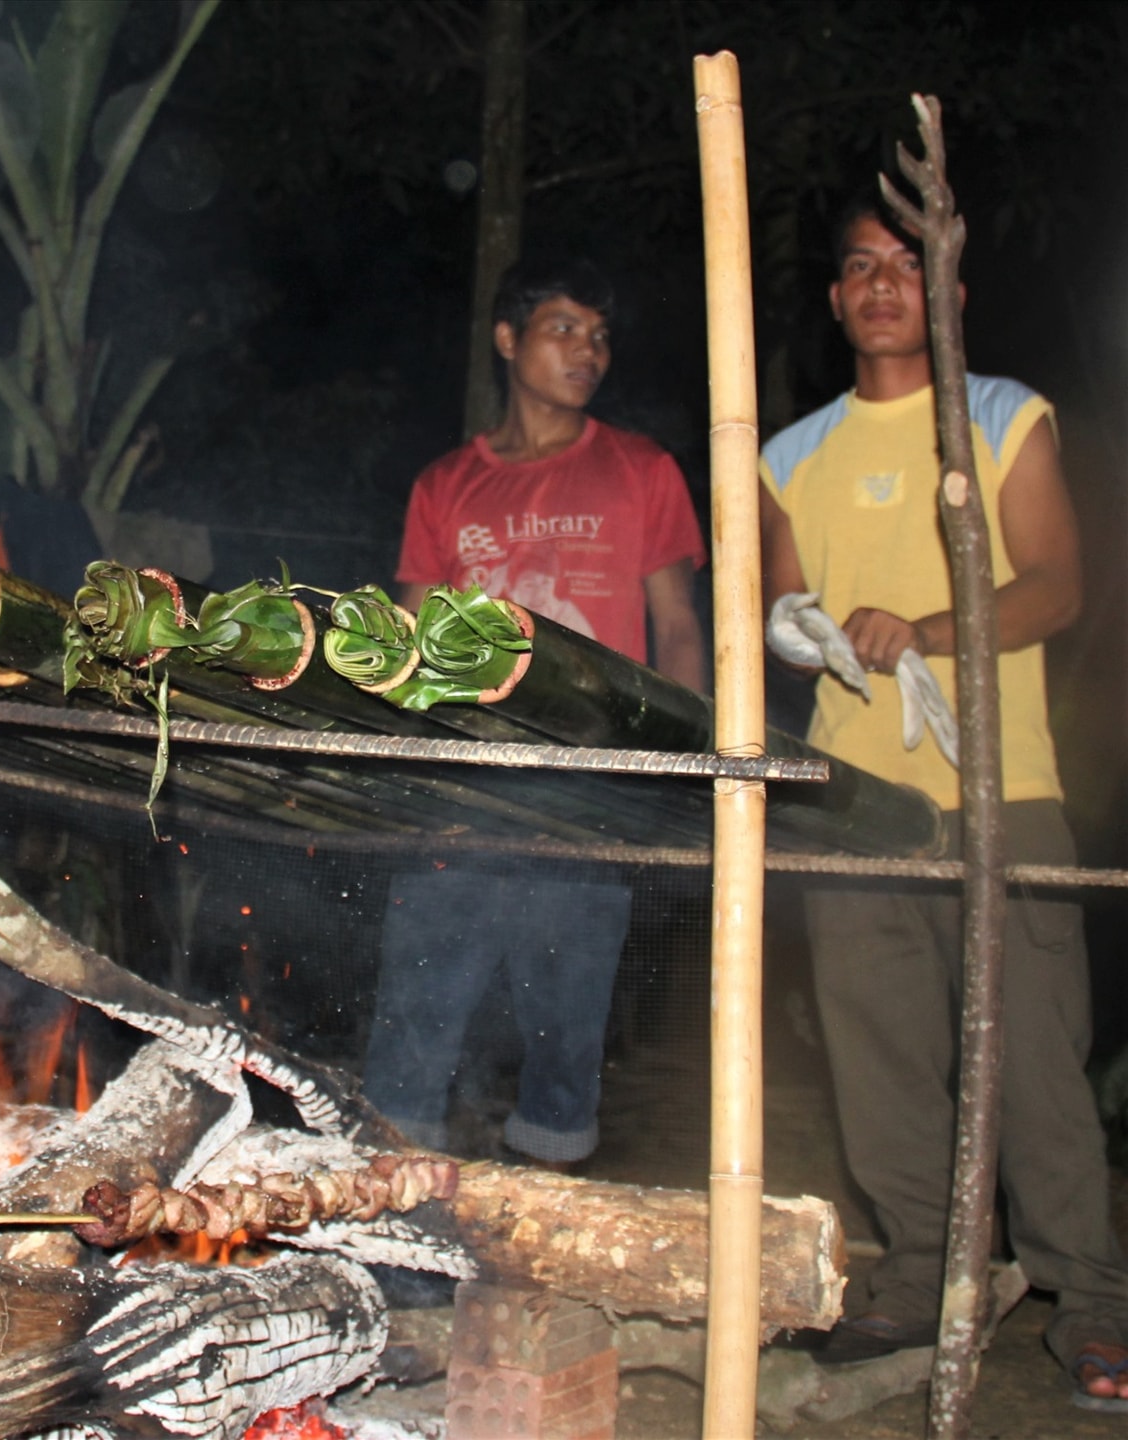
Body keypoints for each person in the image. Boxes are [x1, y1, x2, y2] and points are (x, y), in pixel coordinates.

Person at [759, 196, 1128, 1405]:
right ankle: (918, 1282)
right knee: (881, 1057)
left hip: (998, 790)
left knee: (1032, 1059)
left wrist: (918, 628)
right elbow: (784, 615)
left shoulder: (1000, 417)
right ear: (833, 300)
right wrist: (811, 634)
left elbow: (1058, 588)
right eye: (858, 266)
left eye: (907, 269)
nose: (880, 285)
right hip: (853, 801)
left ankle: (1091, 1298)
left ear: (951, 293)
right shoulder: (785, 456)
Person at [362, 257, 706, 1169]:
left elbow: (676, 626)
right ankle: (393, 1227)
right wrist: (398, 768)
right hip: (460, 791)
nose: (587, 351)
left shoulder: (642, 469)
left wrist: (682, 763)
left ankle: (545, 1229)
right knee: (418, 1014)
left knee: (567, 1027)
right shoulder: (446, 485)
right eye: (564, 329)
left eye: (599, 337)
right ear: (509, 340)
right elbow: (405, 641)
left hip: (590, 794)